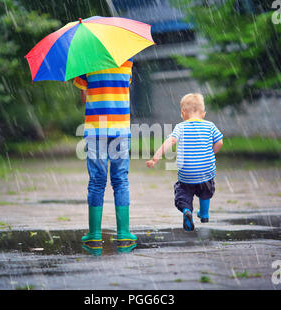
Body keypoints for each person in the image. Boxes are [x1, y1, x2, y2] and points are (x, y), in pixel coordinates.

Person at [73, 58, 137, 252]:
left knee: (97, 181)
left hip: (96, 130)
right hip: (120, 129)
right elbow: (124, 88)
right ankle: (124, 234)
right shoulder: (127, 61)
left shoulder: (85, 62)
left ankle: (94, 235)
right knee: (120, 180)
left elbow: (84, 98)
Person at [146, 93, 223, 231]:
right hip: (206, 171)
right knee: (206, 190)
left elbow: (170, 141)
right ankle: (204, 214)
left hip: (187, 172)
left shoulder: (180, 127)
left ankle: (187, 210)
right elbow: (219, 142)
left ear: (183, 112)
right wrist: (212, 152)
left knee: (183, 192)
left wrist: (156, 157)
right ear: (203, 113)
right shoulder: (210, 126)